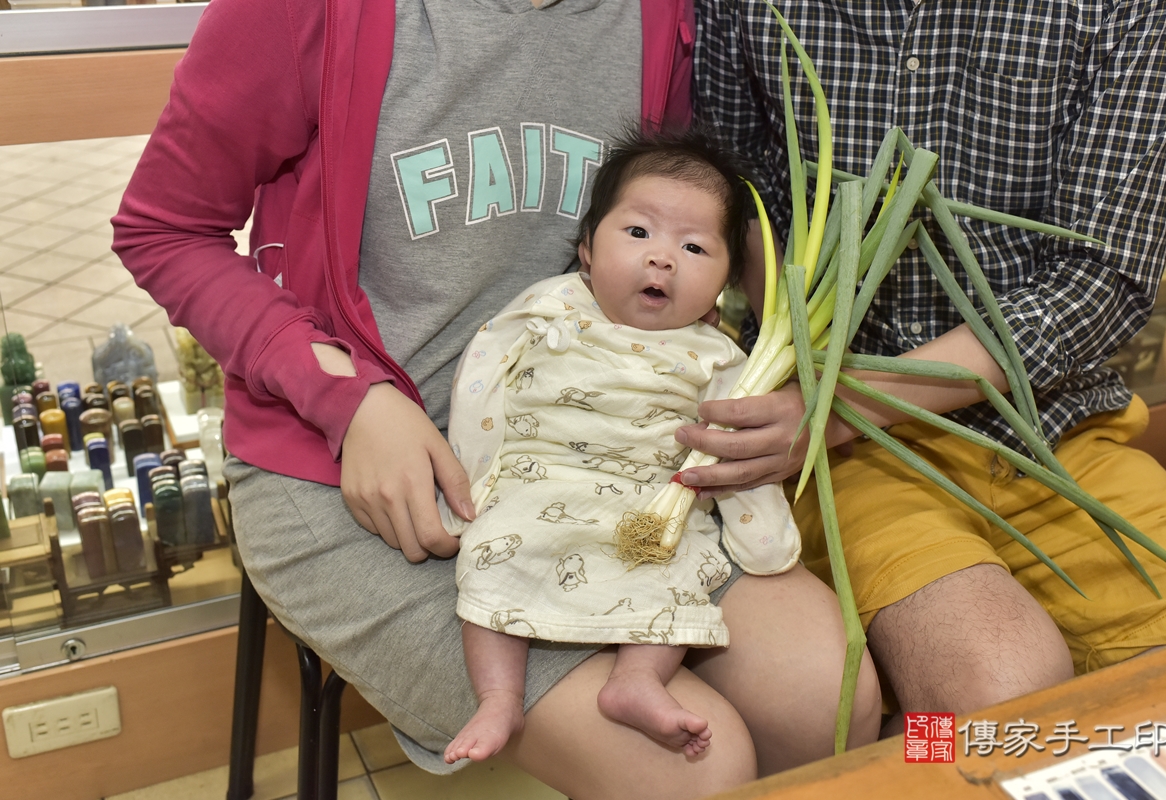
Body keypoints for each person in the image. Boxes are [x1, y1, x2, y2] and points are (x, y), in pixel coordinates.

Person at [112, 0, 881, 794]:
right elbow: (163, 229)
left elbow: (705, 221)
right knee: (696, 767)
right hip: (351, 467)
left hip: (622, 457)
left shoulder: (670, 17)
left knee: (826, 700)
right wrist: (352, 400)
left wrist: (776, 376)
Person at [687, 0, 1166, 726]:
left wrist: (832, 404)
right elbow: (742, 197)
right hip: (843, 442)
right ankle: (912, 758)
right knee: (991, 703)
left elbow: (1100, 283)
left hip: (1048, 420)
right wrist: (792, 371)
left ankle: (906, 741)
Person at [441, 130, 808, 764]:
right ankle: (499, 697)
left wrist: (763, 536)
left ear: (725, 283)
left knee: (678, 573)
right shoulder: (548, 307)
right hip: (539, 480)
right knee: (496, 556)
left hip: (650, 506)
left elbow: (738, 453)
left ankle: (635, 680)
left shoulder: (720, 356)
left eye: (693, 247)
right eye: (638, 233)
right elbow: (482, 381)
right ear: (586, 249)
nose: (662, 258)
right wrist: (470, 485)